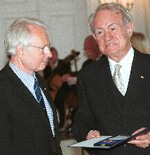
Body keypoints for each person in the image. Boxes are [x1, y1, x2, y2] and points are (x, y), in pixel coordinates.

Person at [72, 2, 150, 155]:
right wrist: (88, 134)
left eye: (113, 28)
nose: (107, 37)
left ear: (129, 29)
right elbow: (81, 121)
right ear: (95, 37)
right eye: (100, 32)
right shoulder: (88, 76)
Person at [0, 17, 62, 155]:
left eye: (49, 47)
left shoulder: (41, 83)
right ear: (21, 50)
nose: (49, 54)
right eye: (43, 48)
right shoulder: (3, 88)